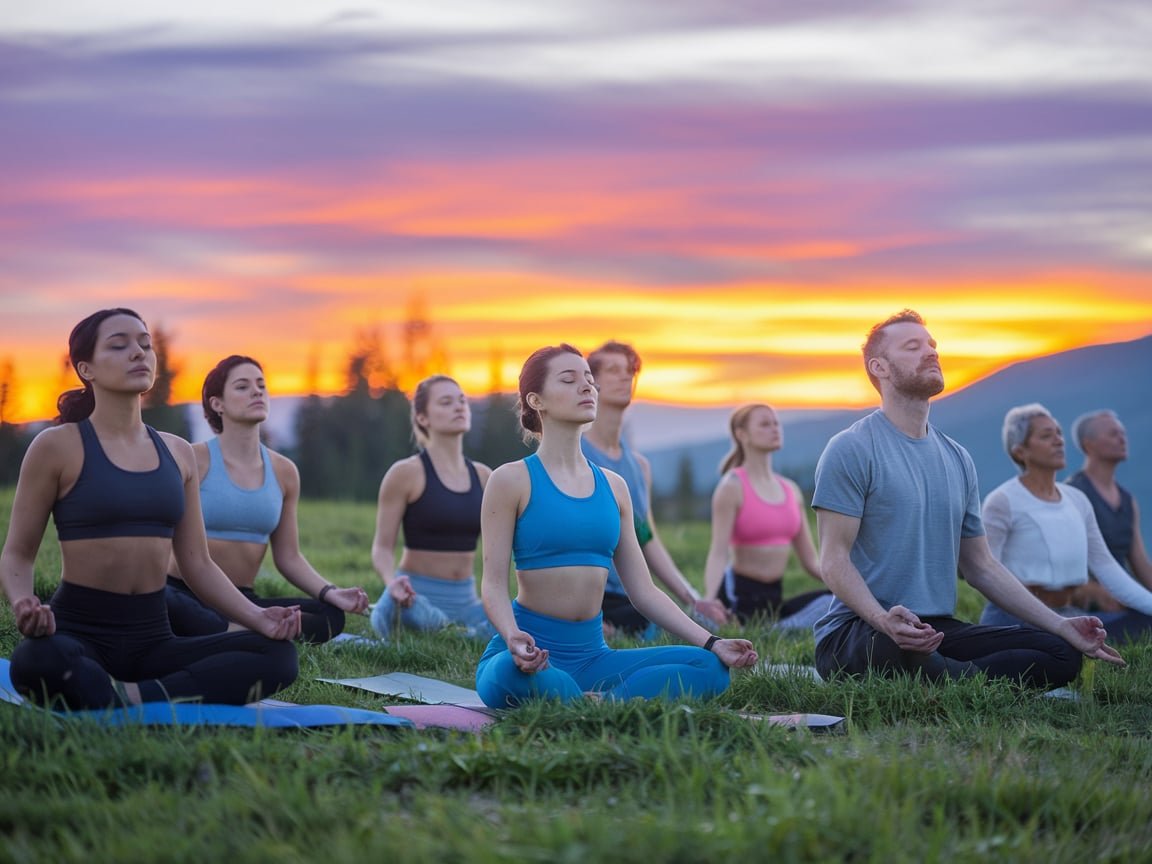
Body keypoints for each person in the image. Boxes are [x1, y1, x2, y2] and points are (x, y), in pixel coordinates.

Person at [1, 309, 300, 710]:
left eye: (145, 344)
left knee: (277, 655)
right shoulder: (57, 446)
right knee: (35, 660)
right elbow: (18, 553)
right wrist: (23, 602)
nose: (138, 353)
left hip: (154, 636)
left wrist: (257, 617)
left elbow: (197, 563)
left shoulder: (177, 452)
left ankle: (131, 696)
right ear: (85, 367)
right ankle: (130, 691)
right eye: (119, 345)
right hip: (79, 630)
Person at [811, 309, 1122, 687]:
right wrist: (882, 619)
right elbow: (832, 560)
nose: (931, 352)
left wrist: (1061, 624)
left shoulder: (957, 458)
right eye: (913, 347)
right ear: (880, 367)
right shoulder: (851, 448)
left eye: (932, 345)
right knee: (900, 649)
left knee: (1061, 651)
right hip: (859, 631)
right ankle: (954, 677)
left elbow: (981, 566)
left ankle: (950, 677)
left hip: (936, 630)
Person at [475, 344, 757, 708]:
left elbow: (644, 592)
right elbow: (493, 583)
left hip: (594, 657)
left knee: (709, 668)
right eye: (569, 379)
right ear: (536, 400)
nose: (586, 387)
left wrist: (712, 642)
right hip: (528, 653)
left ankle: (588, 701)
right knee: (506, 675)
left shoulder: (614, 487)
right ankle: (599, 700)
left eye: (590, 380)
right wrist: (513, 637)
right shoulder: (511, 480)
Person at [165, 355, 369, 644]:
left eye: (261, 385)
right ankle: (248, 633)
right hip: (184, 594)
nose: (257, 391)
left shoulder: (285, 472)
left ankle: (242, 630)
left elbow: (288, 557)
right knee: (167, 603)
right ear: (217, 403)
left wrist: (331, 592)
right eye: (242, 386)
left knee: (331, 616)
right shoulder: (193, 460)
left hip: (244, 603)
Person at [581, 340, 728, 635]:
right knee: (663, 631)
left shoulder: (639, 467)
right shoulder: (576, 456)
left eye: (630, 371)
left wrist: (693, 599)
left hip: (630, 596)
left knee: (693, 624)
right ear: (591, 382)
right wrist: (583, 615)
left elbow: (646, 537)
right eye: (613, 370)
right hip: (585, 596)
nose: (626, 377)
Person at [979, 404, 1152, 643]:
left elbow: (1107, 567)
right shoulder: (1002, 501)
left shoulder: (1077, 500)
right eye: (1046, 436)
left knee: (1145, 621)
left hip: (1069, 615)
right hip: (1014, 619)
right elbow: (986, 571)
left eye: (1059, 433)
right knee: (1063, 653)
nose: (1059, 440)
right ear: (1020, 451)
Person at [369, 375, 495, 641]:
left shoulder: (485, 477)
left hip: (468, 601)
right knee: (424, 620)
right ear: (423, 418)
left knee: (522, 621)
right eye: (446, 402)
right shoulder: (405, 474)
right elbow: (382, 547)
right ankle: (455, 633)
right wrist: (392, 584)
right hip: (413, 599)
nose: (459, 407)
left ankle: (461, 632)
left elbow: (504, 547)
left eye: (462, 401)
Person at [702, 403, 830, 628]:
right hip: (737, 600)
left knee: (836, 602)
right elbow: (718, 553)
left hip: (774, 604)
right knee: (722, 622)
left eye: (776, 423)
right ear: (742, 435)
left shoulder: (791, 490)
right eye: (764, 424)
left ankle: (776, 628)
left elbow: (811, 562)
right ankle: (727, 622)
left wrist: (852, 590)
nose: (774, 429)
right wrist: (710, 601)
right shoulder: (731, 486)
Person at [1065, 409, 1152, 609]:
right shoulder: (1073, 493)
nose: (1122, 439)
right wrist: (1093, 591)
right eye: (1113, 434)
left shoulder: (1127, 500)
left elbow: (1140, 565)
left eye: (1122, 433)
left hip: (1124, 598)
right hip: (1088, 605)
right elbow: (1061, 561)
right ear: (1089, 444)